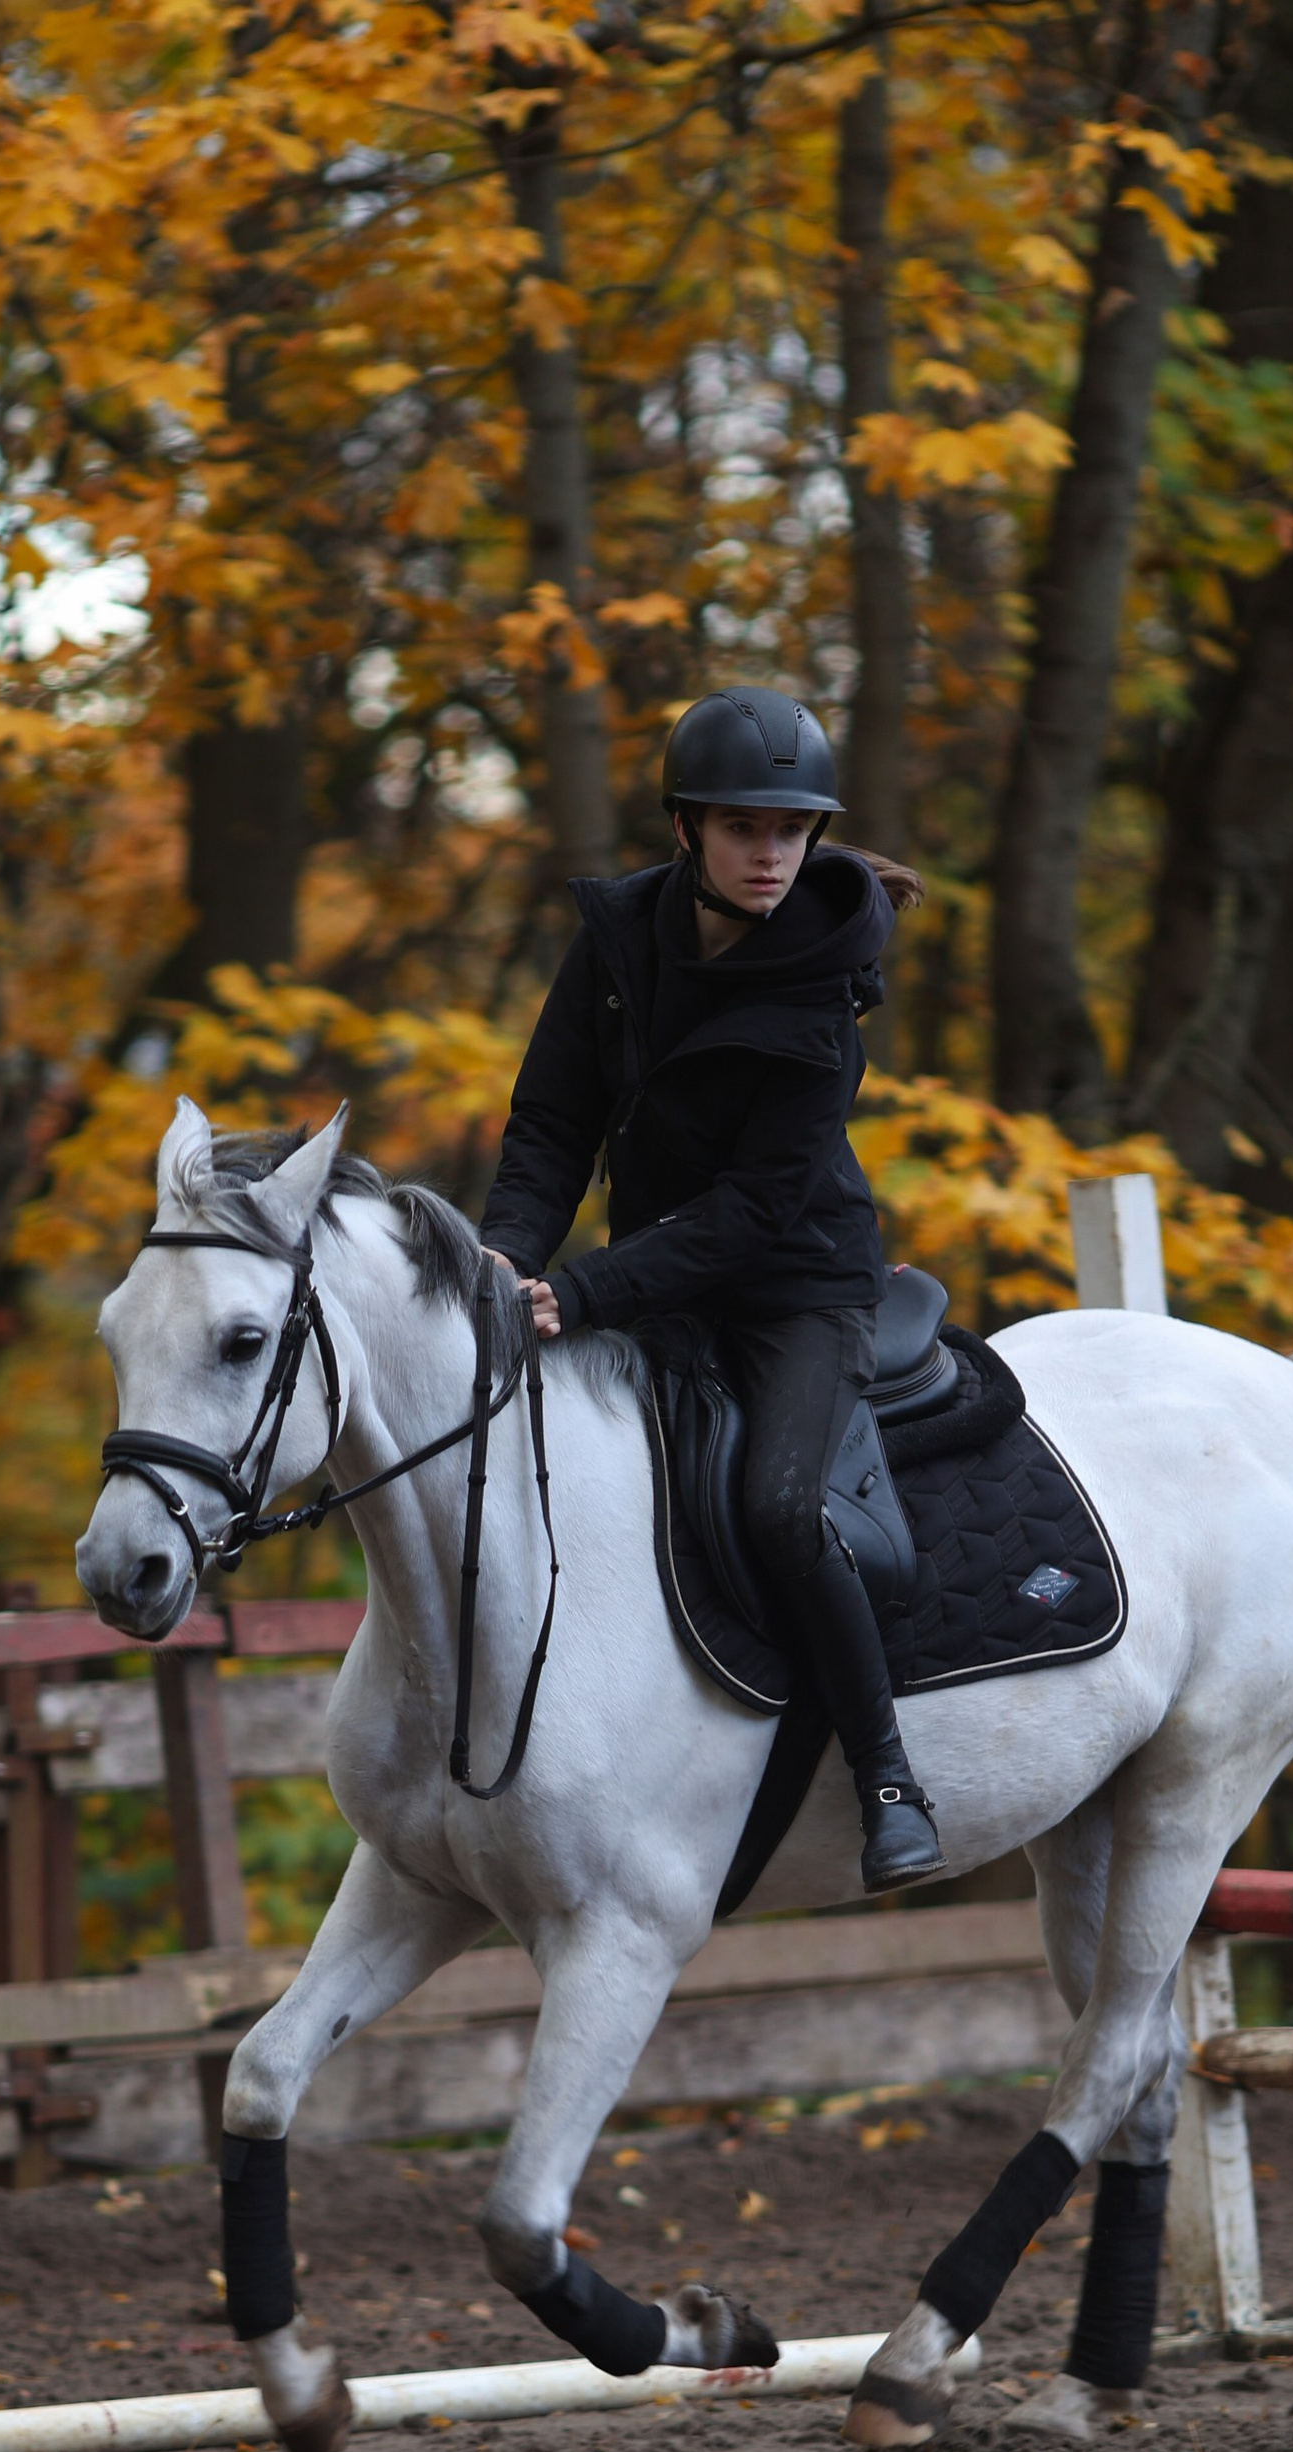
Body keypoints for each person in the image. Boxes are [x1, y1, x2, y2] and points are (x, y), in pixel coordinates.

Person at [478, 687, 942, 1891]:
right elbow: (551, 1121)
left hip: (796, 1291)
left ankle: (888, 1776)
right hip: (657, 1287)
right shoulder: (619, 937)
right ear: (685, 828)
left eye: (792, 832)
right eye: (746, 830)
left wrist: (582, 1295)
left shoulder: (825, 993)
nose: (771, 856)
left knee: (786, 1508)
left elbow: (752, 1213)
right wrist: (507, 1258)